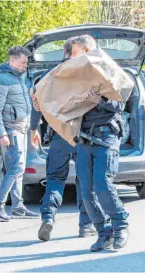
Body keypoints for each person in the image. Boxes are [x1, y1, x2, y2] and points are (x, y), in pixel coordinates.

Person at [30, 35, 99, 242]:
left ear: (65, 52)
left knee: (55, 179)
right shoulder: (88, 72)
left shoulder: (49, 75)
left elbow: (37, 102)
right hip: (83, 134)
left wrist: (34, 129)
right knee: (84, 180)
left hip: (60, 135)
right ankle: (86, 225)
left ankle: (49, 216)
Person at [74, 36, 130, 252]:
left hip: (106, 135)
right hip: (83, 138)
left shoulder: (106, 70)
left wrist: (100, 100)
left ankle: (120, 225)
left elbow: (120, 103)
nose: (72, 57)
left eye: (76, 52)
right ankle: (103, 232)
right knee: (86, 192)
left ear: (87, 50)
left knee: (103, 185)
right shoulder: (75, 75)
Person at [0, 46, 40, 221]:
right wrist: (1, 134)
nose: (26, 65)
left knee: (18, 169)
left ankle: (18, 207)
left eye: (26, 62)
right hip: (10, 130)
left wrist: (33, 128)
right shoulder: (2, 79)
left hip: (22, 128)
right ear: (12, 60)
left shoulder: (21, 78)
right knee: (16, 168)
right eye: (23, 62)